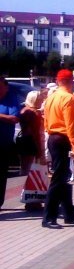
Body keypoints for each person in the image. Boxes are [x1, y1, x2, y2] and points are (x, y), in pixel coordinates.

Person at [42, 70, 74, 228]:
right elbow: (72, 125)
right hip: (63, 139)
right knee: (59, 179)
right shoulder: (68, 98)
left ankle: (69, 214)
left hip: (54, 137)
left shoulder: (51, 97)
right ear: (70, 81)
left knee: (66, 178)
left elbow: (46, 121)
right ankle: (48, 217)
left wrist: (50, 133)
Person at [0, 76, 21, 208]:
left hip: (3, 144)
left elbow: (14, 118)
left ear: (6, 87)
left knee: (1, 175)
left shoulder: (11, 99)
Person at [18, 90, 45, 176]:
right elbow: (35, 132)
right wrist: (39, 149)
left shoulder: (23, 109)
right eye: (40, 99)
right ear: (35, 100)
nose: (42, 101)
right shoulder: (35, 112)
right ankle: (27, 187)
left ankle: (21, 185)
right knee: (30, 168)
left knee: (23, 167)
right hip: (31, 141)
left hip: (22, 139)